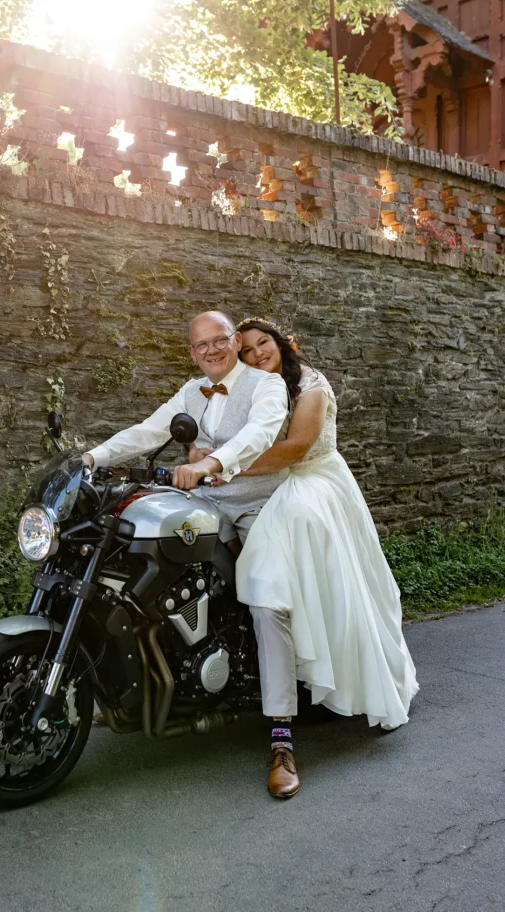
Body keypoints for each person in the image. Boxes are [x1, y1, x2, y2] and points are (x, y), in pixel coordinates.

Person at [194, 317, 419, 800]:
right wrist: (204, 456)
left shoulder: (310, 384)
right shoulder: (248, 389)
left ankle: (284, 735)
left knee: (286, 589)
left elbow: (296, 449)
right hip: (264, 486)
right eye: (247, 350)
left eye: (263, 344)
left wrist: (219, 467)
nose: (256, 355)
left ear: (282, 344)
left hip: (312, 481)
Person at [83, 310, 291, 548]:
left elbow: (259, 432)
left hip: (258, 506)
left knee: (259, 580)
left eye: (220, 340)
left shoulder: (268, 383)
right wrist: (93, 457)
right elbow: (148, 430)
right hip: (207, 503)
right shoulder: (191, 391)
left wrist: (206, 464)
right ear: (193, 354)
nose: (211, 350)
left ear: (237, 341)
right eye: (201, 345)